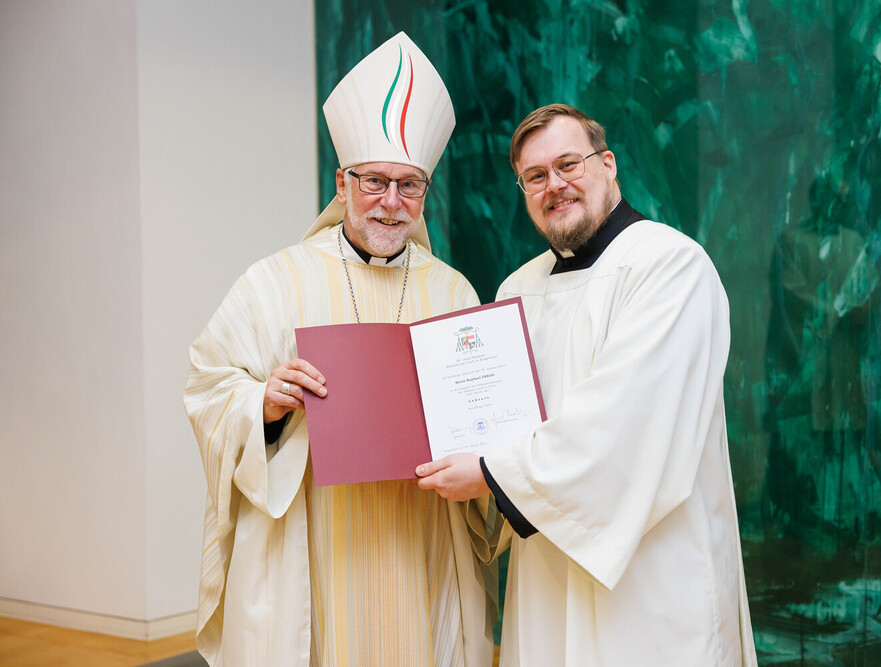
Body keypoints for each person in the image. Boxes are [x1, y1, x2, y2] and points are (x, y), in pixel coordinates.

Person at [184, 33, 495, 666]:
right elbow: (209, 386)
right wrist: (264, 403)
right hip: (316, 540)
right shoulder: (276, 281)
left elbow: (483, 411)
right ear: (342, 182)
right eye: (374, 181)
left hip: (422, 535)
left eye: (410, 186)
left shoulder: (454, 291)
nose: (391, 202)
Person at [416, 104, 757, 665]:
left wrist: (490, 473)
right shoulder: (516, 290)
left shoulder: (670, 265)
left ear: (608, 164)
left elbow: (626, 424)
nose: (554, 185)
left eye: (568, 164)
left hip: (650, 580)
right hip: (545, 573)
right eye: (535, 176)